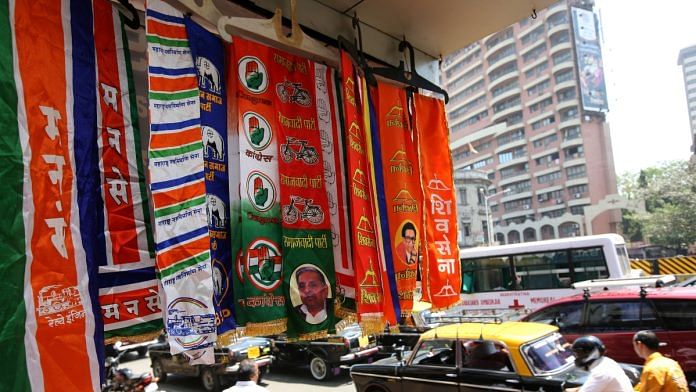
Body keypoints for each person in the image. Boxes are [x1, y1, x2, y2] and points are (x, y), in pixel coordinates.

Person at [565, 335, 633, 392]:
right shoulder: (607, 362)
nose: (576, 358)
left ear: (589, 354)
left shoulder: (600, 373)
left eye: (578, 354)